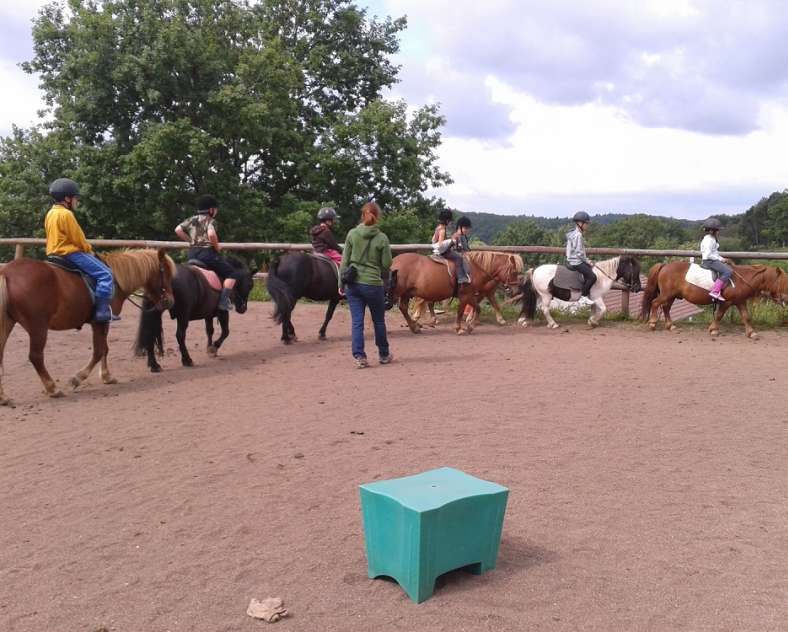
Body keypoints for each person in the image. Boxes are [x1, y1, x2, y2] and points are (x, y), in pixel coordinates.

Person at [44, 178, 116, 323]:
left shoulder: (50, 213)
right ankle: (102, 312)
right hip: (70, 253)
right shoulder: (66, 214)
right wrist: (88, 249)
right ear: (67, 198)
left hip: (53, 252)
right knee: (106, 274)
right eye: (76, 198)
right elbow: (78, 238)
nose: (77, 201)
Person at [340, 201, 393, 368]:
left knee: (357, 322)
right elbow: (386, 264)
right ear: (377, 217)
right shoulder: (382, 238)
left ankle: (360, 356)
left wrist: (342, 283)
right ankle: (383, 354)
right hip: (372, 284)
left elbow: (344, 261)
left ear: (363, 215)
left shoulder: (352, 234)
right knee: (378, 321)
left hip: (353, 285)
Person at [175, 194, 238, 311]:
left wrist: (191, 241)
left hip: (192, 254)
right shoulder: (211, 221)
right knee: (232, 274)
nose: (216, 212)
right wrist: (217, 246)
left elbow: (178, 229)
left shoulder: (191, 219)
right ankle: (224, 301)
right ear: (211, 210)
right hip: (207, 255)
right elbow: (211, 234)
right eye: (216, 209)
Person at [565, 211, 596, 306]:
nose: (587, 225)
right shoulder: (578, 235)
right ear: (580, 223)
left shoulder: (573, 233)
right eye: (586, 223)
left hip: (572, 259)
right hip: (576, 262)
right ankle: (583, 296)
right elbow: (579, 252)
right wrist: (588, 261)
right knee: (592, 277)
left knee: (589, 272)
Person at [434, 213, 471, 285]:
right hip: (447, 252)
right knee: (459, 259)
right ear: (460, 227)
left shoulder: (463, 236)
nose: (467, 230)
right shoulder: (455, 236)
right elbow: (453, 248)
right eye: (465, 228)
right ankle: (461, 277)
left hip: (452, 252)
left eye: (468, 228)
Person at [700, 217, 732, 301]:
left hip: (712, 260)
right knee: (728, 271)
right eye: (717, 230)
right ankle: (715, 291)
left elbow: (715, 253)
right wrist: (720, 260)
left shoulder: (712, 239)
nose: (719, 232)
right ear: (712, 231)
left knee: (727, 267)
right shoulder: (709, 240)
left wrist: (722, 259)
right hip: (709, 261)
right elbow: (708, 254)